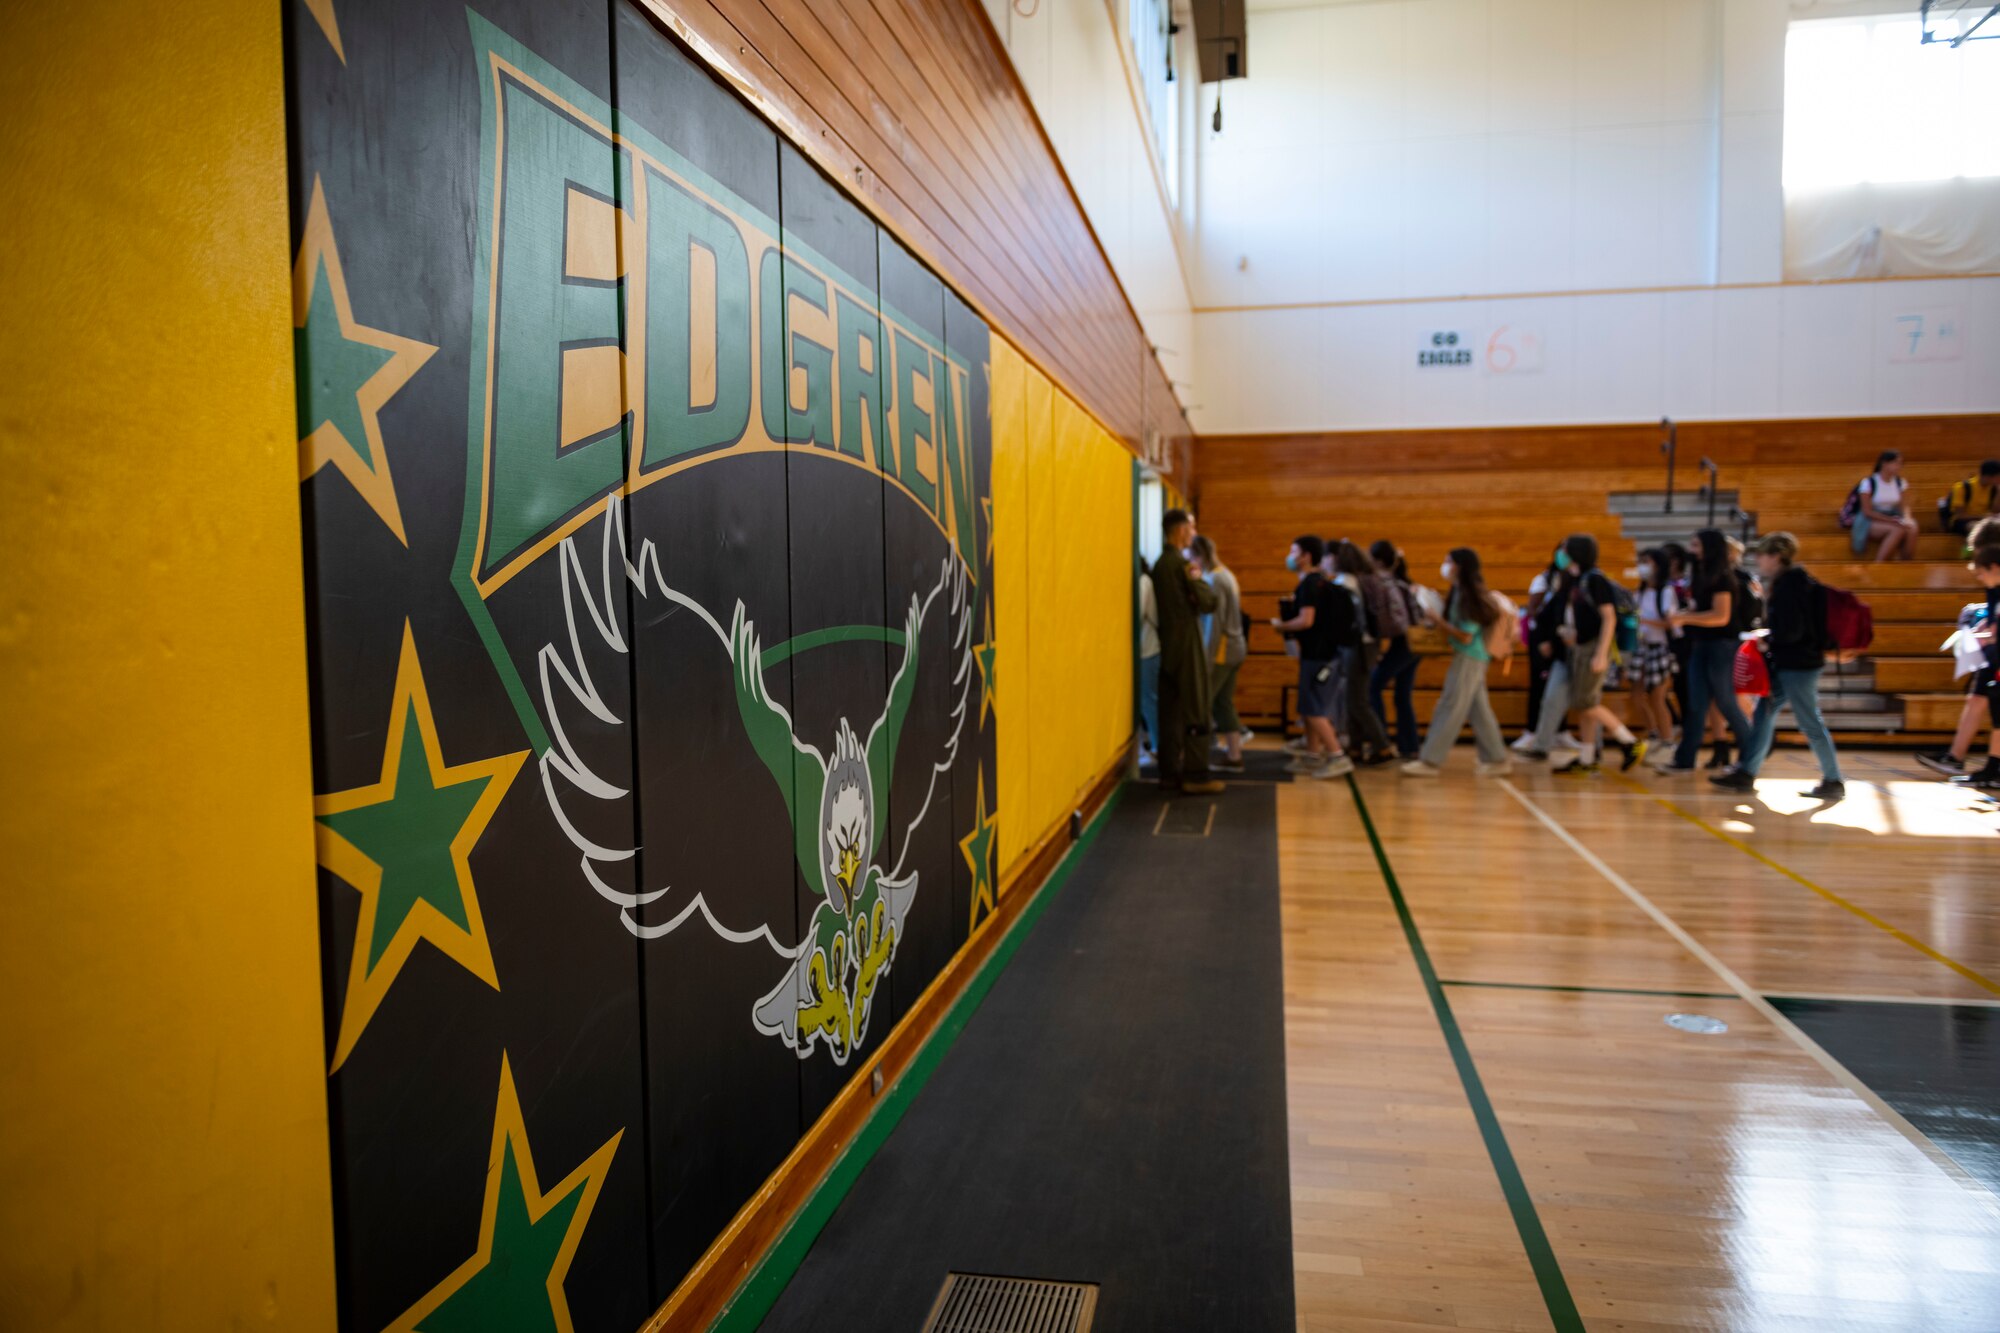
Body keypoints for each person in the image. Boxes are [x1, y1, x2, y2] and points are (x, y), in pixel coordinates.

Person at [1712, 533, 1843, 798]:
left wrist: (1768, 640)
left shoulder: (1791, 585)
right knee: (1764, 714)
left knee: (1808, 720)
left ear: (1776, 557)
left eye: (1762, 555)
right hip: (1790, 662)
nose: (1758, 560)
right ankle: (1746, 772)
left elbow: (1791, 630)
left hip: (1799, 664)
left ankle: (1833, 780)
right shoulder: (1793, 582)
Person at [1402, 548, 1511, 777]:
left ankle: (1430, 761)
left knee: (1449, 707)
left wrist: (1437, 620)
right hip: (1474, 657)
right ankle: (1496, 758)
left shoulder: (1466, 596)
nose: (1444, 564)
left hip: (1469, 657)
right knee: (1479, 710)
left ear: (1459, 566)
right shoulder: (1462, 592)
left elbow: (1465, 635)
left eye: (1448, 561)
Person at [1543, 534, 1644, 775]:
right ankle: (1587, 759)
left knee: (1585, 702)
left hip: (1595, 648)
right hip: (1580, 646)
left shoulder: (1595, 580)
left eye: (1565, 549)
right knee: (1586, 702)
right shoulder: (1577, 580)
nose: (1561, 554)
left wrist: (1600, 654)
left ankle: (1629, 741)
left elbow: (1608, 618)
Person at [1665, 528, 1755, 773]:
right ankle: (1685, 759)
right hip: (1702, 644)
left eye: (1696, 545)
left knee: (1726, 701)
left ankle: (1750, 757)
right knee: (1696, 703)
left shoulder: (1723, 577)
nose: (1691, 550)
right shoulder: (1699, 574)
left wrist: (1685, 617)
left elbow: (1721, 616)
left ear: (1708, 547)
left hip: (1723, 646)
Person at [1917, 516, 2000, 776]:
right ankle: (1962, 757)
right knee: (1982, 697)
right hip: (1993, 646)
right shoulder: (1992, 581)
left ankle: (1991, 765)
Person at [1152, 510, 1224, 794]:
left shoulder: (1159, 565)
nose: (1193, 533)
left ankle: (1169, 773)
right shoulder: (1183, 564)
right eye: (1191, 527)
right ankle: (1196, 773)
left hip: (1166, 642)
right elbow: (1209, 601)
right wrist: (1197, 594)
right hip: (1187, 641)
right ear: (1181, 530)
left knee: (1169, 711)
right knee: (1196, 707)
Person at [1271, 535, 1355, 779]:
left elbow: (1306, 620)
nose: (1290, 555)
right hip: (1319, 654)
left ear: (1306, 556)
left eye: (1293, 550)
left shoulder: (1310, 584)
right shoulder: (1317, 583)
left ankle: (1338, 756)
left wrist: (1282, 626)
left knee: (1316, 710)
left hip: (1321, 656)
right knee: (1308, 708)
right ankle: (1312, 755)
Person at [1334, 540, 1395, 764]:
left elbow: (1347, 621)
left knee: (1357, 699)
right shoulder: (1367, 580)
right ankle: (1356, 746)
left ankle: (1382, 745)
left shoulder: (1346, 583)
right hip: (1369, 644)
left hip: (1357, 646)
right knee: (1353, 697)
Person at [1191, 535, 1247, 773]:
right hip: (1236, 645)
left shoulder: (1215, 579)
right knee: (1223, 703)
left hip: (1223, 650)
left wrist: (1207, 658)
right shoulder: (1226, 574)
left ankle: (1197, 759)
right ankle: (1234, 755)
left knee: (1202, 703)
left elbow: (1215, 623)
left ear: (1199, 556)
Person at [1949, 544, 2000, 791]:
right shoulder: (1994, 593)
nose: (1979, 578)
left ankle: (1994, 766)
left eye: (1981, 572)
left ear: (1994, 567)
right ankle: (1994, 766)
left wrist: (1988, 637)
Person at [1368, 540, 1422, 759]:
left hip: (1405, 644)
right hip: (1413, 644)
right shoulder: (1404, 583)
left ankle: (1381, 742)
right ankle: (1410, 747)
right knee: (1402, 695)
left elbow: (1392, 623)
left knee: (1373, 687)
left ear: (1378, 560)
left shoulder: (1388, 584)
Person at [1630, 548, 1679, 751]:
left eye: (1646, 561)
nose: (1642, 565)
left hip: (1660, 649)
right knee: (1636, 695)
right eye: (1640, 561)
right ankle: (1654, 733)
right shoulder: (1639, 593)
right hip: (1641, 648)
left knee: (1658, 697)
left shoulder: (1666, 592)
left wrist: (1644, 621)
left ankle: (1667, 741)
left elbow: (1671, 623)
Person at [1848, 449, 1919, 561]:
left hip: (1892, 516)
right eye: (1895, 463)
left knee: (1912, 528)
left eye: (1900, 463)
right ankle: (1879, 565)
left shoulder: (1900, 482)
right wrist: (1890, 520)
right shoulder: (1868, 483)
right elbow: (1867, 511)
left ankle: (1907, 564)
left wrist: (1907, 518)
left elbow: (1904, 506)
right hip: (1870, 519)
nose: (1898, 466)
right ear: (1884, 463)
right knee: (1897, 530)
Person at [1940, 460, 2000, 540]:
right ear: (1989, 476)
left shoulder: (1993, 489)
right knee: (1978, 528)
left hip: (1984, 520)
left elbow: (1994, 511)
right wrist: (1982, 516)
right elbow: (1960, 515)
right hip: (1962, 521)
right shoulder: (1962, 487)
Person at [1137, 556, 1160, 765]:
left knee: (1148, 701)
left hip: (1148, 649)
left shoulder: (1143, 581)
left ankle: (1157, 748)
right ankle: (1149, 745)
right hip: (1145, 649)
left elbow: (1138, 614)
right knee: (1145, 701)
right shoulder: (1143, 580)